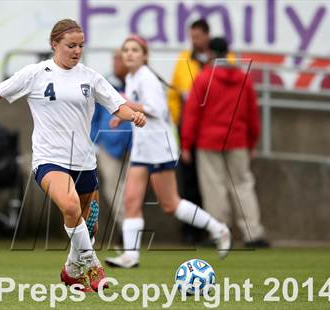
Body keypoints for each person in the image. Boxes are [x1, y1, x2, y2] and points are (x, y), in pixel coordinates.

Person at [0, 19, 146, 292]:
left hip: (84, 161)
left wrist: (133, 115)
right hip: (49, 159)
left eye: (80, 45)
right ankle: (92, 266)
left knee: (89, 227)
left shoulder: (90, 77)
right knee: (70, 206)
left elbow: (118, 106)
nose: (77, 51)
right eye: (71, 45)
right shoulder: (36, 73)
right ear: (54, 44)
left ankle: (71, 270)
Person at [105, 35, 231, 269]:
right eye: (126, 50)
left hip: (159, 146)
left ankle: (219, 229)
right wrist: (122, 118)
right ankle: (131, 256)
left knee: (170, 204)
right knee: (130, 199)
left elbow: (156, 109)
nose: (130, 54)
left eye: (135, 50)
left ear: (144, 55)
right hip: (143, 147)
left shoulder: (146, 77)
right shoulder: (133, 77)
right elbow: (138, 109)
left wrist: (125, 104)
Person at [181, 37, 269, 248]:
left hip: (209, 142)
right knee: (243, 185)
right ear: (228, 52)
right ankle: (253, 233)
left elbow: (192, 113)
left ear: (210, 53)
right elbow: (252, 114)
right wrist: (252, 142)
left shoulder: (203, 78)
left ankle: (220, 234)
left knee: (214, 188)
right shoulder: (243, 78)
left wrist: (186, 143)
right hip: (238, 140)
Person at [167, 19, 211, 244]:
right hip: (187, 127)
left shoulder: (222, 58)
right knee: (188, 181)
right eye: (192, 36)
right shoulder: (184, 59)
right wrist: (176, 120)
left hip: (211, 129)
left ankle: (210, 228)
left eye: (198, 36)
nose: (194, 41)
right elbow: (174, 94)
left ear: (207, 36)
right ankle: (190, 230)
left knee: (211, 183)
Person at [90, 49, 131, 241]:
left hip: (135, 145)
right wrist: (95, 141)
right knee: (114, 188)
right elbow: (93, 117)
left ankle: (132, 227)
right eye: (115, 60)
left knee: (132, 189)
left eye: (121, 60)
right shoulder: (104, 84)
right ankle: (126, 227)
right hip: (109, 144)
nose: (117, 64)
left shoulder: (138, 83)